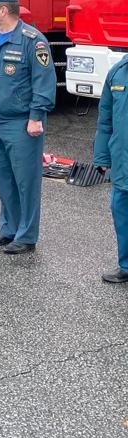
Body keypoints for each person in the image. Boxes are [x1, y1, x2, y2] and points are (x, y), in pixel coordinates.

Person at [0, 0, 56, 254]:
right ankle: (9, 228)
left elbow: (43, 82)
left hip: (21, 123)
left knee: (26, 181)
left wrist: (36, 116)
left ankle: (26, 235)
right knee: (3, 178)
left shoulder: (32, 41)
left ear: (4, 10)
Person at [94, 54, 128, 283]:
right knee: (121, 213)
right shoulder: (117, 71)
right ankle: (125, 266)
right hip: (122, 160)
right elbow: (105, 120)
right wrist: (101, 156)